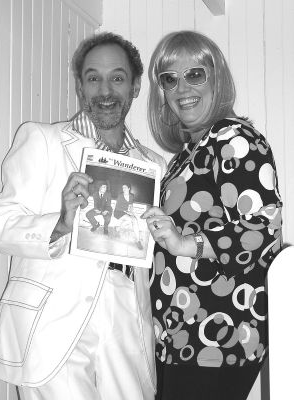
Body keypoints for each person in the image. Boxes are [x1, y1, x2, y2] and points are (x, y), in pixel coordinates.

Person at [0, 32, 166, 400]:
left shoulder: (153, 166)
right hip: (53, 324)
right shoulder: (43, 140)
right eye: (93, 78)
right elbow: (0, 223)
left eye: (117, 78)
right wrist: (60, 222)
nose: (105, 90)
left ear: (135, 86)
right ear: (80, 85)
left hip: (126, 323)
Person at [142, 30, 283, 400]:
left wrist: (186, 243)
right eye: (169, 79)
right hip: (179, 334)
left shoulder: (234, 138)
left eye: (195, 74)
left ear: (216, 77)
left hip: (215, 336)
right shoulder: (186, 155)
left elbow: (263, 228)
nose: (181, 87)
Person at [114, 182, 143, 249]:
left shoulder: (131, 196)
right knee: (129, 219)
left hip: (126, 212)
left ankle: (138, 241)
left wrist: (132, 213)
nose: (123, 189)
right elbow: (117, 207)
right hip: (118, 212)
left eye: (125, 187)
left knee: (134, 220)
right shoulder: (120, 195)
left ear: (129, 188)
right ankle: (118, 228)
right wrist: (127, 211)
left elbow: (130, 205)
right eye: (123, 187)